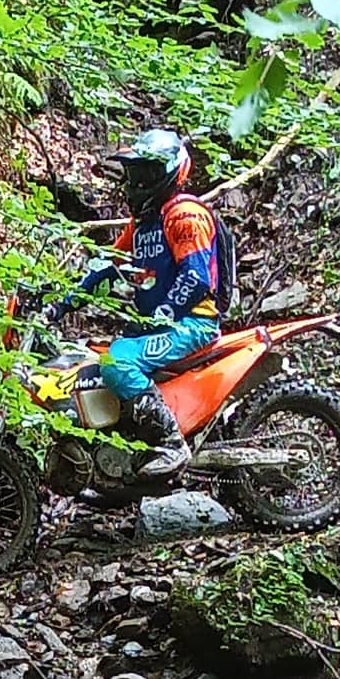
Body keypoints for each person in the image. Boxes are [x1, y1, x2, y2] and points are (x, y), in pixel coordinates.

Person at [83, 127, 233, 484]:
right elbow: (107, 265)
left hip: (191, 325)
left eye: (145, 175)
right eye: (134, 174)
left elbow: (196, 278)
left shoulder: (184, 215)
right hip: (158, 323)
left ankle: (170, 443)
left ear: (168, 174)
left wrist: (165, 312)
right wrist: (60, 300)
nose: (136, 183)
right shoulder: (144, 223)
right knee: (87, 363)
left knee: (117, 362)